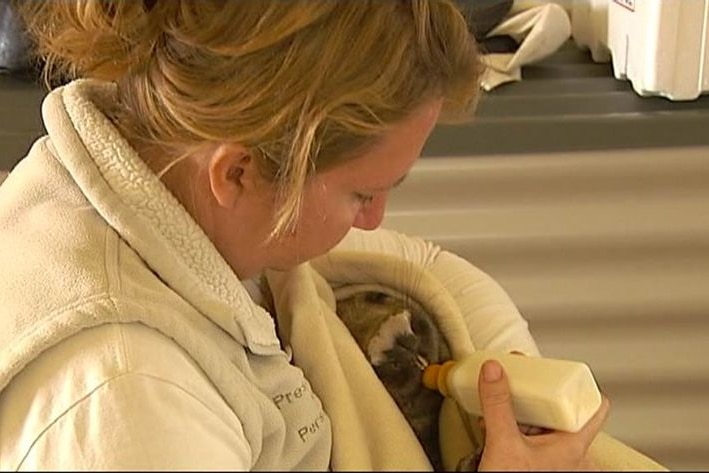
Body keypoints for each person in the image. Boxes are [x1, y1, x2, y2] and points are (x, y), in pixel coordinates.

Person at [0, 0, 608, 470]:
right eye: (361, 194)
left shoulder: (148, 160)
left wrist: (507, 360)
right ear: (237, 172)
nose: (373, 220)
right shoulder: (133, 408)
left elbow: (421, 265)